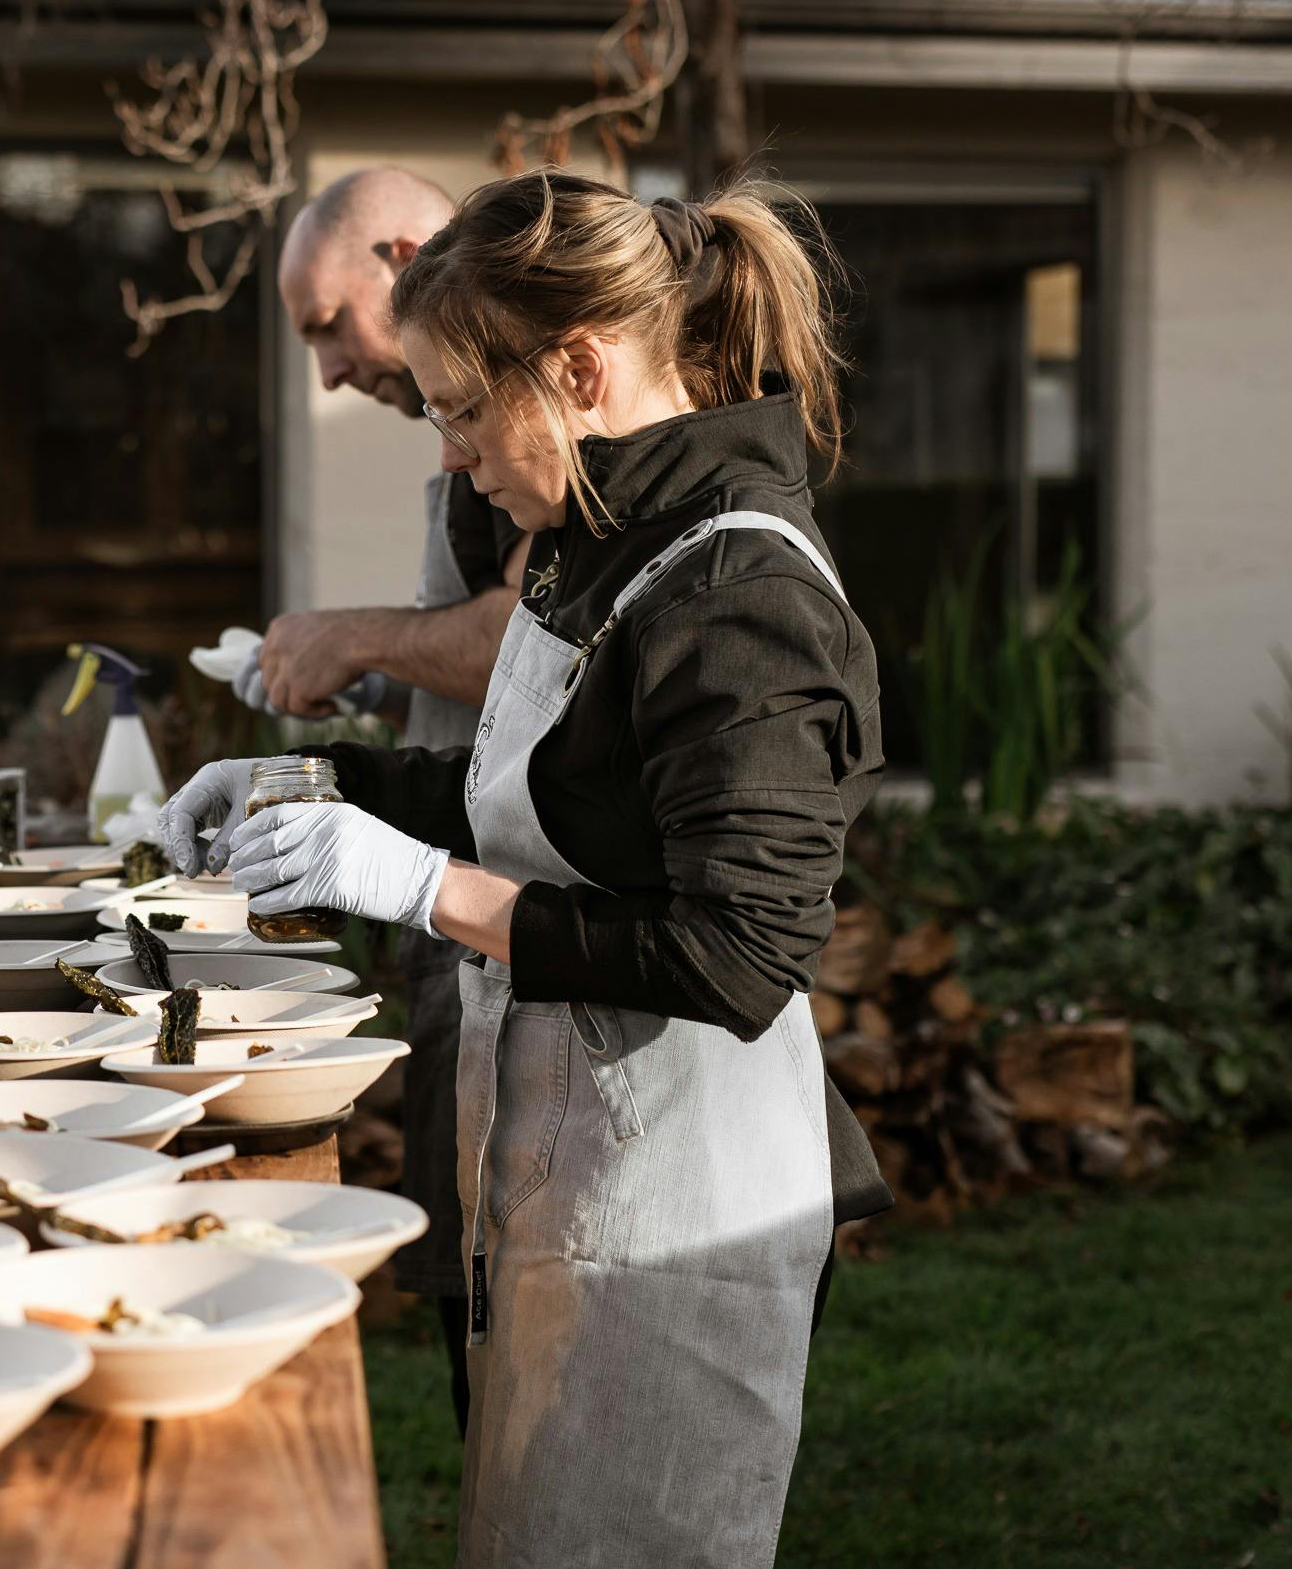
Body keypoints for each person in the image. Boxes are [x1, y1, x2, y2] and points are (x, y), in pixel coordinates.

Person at [163, 168, 894, 1569]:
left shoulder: (740, 596)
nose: (447, 454)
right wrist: (330, 797)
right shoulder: (605, 549)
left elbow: (741, 955)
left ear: (575, 364)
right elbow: (538, 806)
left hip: (681, 1219)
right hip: (570, 1178)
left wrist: (418, 888)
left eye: (455, 408)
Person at [258, 165, 528, 1433]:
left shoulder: (546, 438)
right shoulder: (477, 432)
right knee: (477, 1337)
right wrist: (370, 727)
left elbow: (520, 644)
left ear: (408, 254)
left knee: (524, 1341)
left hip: (526, 940)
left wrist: (354, 634)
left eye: (326, 324)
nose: (322, 371)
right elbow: (478, 688)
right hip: (461, 921)